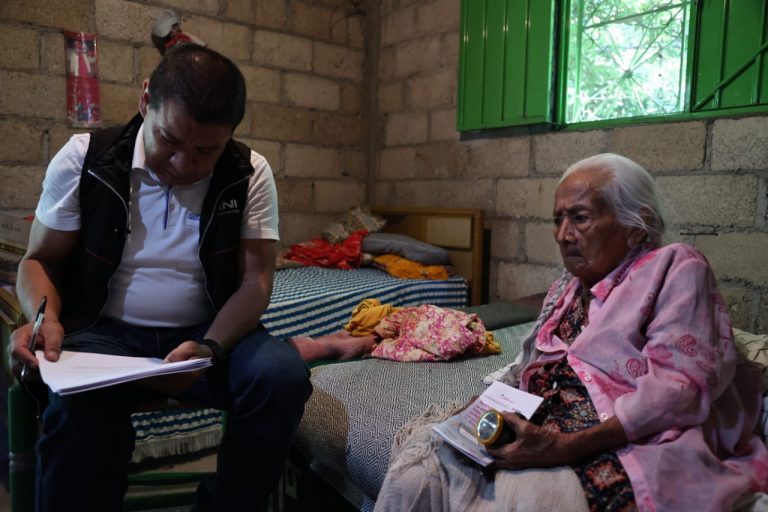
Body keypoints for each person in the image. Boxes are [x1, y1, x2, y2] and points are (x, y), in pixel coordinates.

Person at [9, 44, 312, 511]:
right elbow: (39, 260)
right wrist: (44, 315)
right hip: (104, 334)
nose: (183, 165)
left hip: (206, 335)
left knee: (281, 377)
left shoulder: (248, 172)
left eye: (206, 151)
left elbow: (257, 282)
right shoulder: (86, 159)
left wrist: (210, 346)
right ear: (145, 98)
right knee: (78, 413)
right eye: (169, 139)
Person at [374, 153, 768, 512]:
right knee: (416, 472)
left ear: (636, 225)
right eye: (558, 219)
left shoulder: (677, 267)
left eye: (579, 218)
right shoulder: (567, 285)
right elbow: (531, 364)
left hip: (620, 440)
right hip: (544, 426)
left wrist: (566, 447)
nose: (562, 235)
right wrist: (485, 403)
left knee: (525, 501)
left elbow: (680, 387)